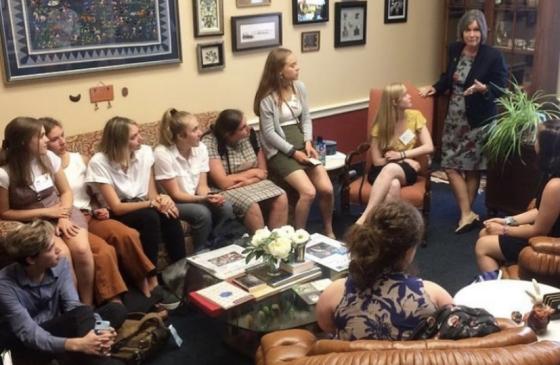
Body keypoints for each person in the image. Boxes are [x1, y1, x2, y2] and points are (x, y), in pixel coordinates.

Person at [41, 117, 158, 299]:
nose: (63, 141)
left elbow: (95, 191)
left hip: (91, 214)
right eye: (55, 139)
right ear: (44, 142)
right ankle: (115, 302)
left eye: (63, 135)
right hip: (68, 220)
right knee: (104, 251)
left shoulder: (80, 159)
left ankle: (147, 289)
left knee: (128, 235)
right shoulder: (42, 168)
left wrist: (100, 208)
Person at [419, 9, 507, 233]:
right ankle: (468, 212)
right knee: (449, 164)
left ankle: (464, 214)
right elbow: (448, 77)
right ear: (462, 32)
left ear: (483, 31)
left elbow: (502, 88)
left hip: (478, 119)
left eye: (476, 29)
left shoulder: (492, 56)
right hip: (454, 117)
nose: (472, 34)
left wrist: (484, 88)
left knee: (473, 168)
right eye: (468, 29)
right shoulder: (455, 49)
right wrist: (435, 87)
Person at [316, 200, 453, 340]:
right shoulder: (433, 296)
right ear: (409, 251)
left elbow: (326, 327)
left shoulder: (335, 293)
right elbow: (454, 331)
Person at [86, 116, 185, 309]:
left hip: (143, 204)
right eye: (134, 137)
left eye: (139, 133)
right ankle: (151, 277)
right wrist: (152, 204)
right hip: (117, 211)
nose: (140, 139)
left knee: (169, 213)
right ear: (119, 142)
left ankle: (180, 274)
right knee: (149, 217)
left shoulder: (145, 153)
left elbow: (152, 194)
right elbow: (116, 207)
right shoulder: (99, 162)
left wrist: (162, 201)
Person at [0, 220, 126, 365]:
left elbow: (72, 306)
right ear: (31, 259)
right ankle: (97, 358)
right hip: (24, 343)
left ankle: (81, 353)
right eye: (51, 248)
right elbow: (28, 333)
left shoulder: (60, 263)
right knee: (84, 314)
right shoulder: (4, 284)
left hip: (59, 327)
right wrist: (78, 344)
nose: (59, 250)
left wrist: (102, 330)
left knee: (116, 310)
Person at [0, 117, 95, 305]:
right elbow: (5, 213)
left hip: (63, 212)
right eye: (42, 136)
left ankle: (88, 305)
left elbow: (66, 192)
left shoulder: (49, 158)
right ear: (24, 142)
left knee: (82, 249)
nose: (46, 141)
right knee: (63, 255)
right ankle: (72, 308)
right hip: (35, 221)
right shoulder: (4, 173)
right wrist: (46, 213)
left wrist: (63, 216)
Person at [254, 47, 335, 237]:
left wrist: (307, 141)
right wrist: (293, 152)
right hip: (280, 151)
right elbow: (268, 133)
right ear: (279, 71)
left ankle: (329, 230)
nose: (298, 68)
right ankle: (299, 236)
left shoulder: (299, 87)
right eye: (292, 65)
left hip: (301, 144)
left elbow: (306, 117)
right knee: (308, 192)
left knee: (327, 189)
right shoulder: (267, 98)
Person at [475, 119, 560, 276]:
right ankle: (503, 276)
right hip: (545, 232)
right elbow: (539, 210)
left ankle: (500, 294)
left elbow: (539, 230)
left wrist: (503, 229)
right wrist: (507, 221)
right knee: (485, 233)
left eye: (537, 138)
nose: (534, 141)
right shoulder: (551, 173)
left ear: (547, 147)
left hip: (549, 241)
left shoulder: (556, 185)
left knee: (482, 246)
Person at [154, 108, 233, 250]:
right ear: (181, 136)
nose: (200, 133)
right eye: (195, 130)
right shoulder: (162, 154)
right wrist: (203, 200)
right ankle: (200, 252)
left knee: (225, 207)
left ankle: (218, 246)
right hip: (174, 202)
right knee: (202, 213)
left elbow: (202, 186)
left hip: (194, 197)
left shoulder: (201, 148)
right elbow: (175, 195)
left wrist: (210, 196)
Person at [355, 83, 434, 225]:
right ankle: (388, 228)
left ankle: (365, 217)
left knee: (391, 170)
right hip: (381, 170)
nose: (410, 96)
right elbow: (377, 161)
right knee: (394, 185)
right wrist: (403, 160)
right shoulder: (381, 124)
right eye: (405, 95)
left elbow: (429, 147)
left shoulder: (415, 116)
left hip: (407, 171)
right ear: (394, 102)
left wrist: (403, 155)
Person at [201, 109, 288, 233]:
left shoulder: (251, 134)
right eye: (242, 128)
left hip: (250, 182)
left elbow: (263, 172)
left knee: (281, 196)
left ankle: (278, 244)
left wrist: (248, 181)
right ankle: (260, 246)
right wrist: (252, 173)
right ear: (228, 134)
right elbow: (223, 182)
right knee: (251, 205)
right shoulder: (210, 142)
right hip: (226, 189)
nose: (248, 128)